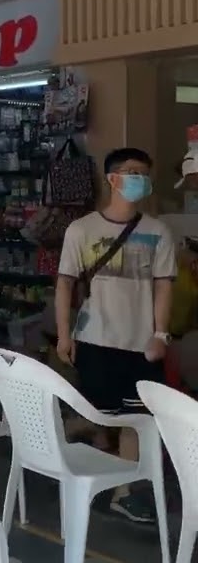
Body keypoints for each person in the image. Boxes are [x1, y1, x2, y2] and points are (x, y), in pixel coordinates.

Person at [55, 147, 176, 524]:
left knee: (137, 421)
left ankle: (123, 494)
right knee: (101, 416)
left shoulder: (158, 232)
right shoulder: (82, 229)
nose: (139, 178)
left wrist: (161, 334)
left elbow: (163, 288)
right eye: (131, 171)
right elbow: (64, 285)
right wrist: (63, 335)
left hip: (141, 347)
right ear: (112, 179)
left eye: (144, 172)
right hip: (94, 341)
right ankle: (59, 436)